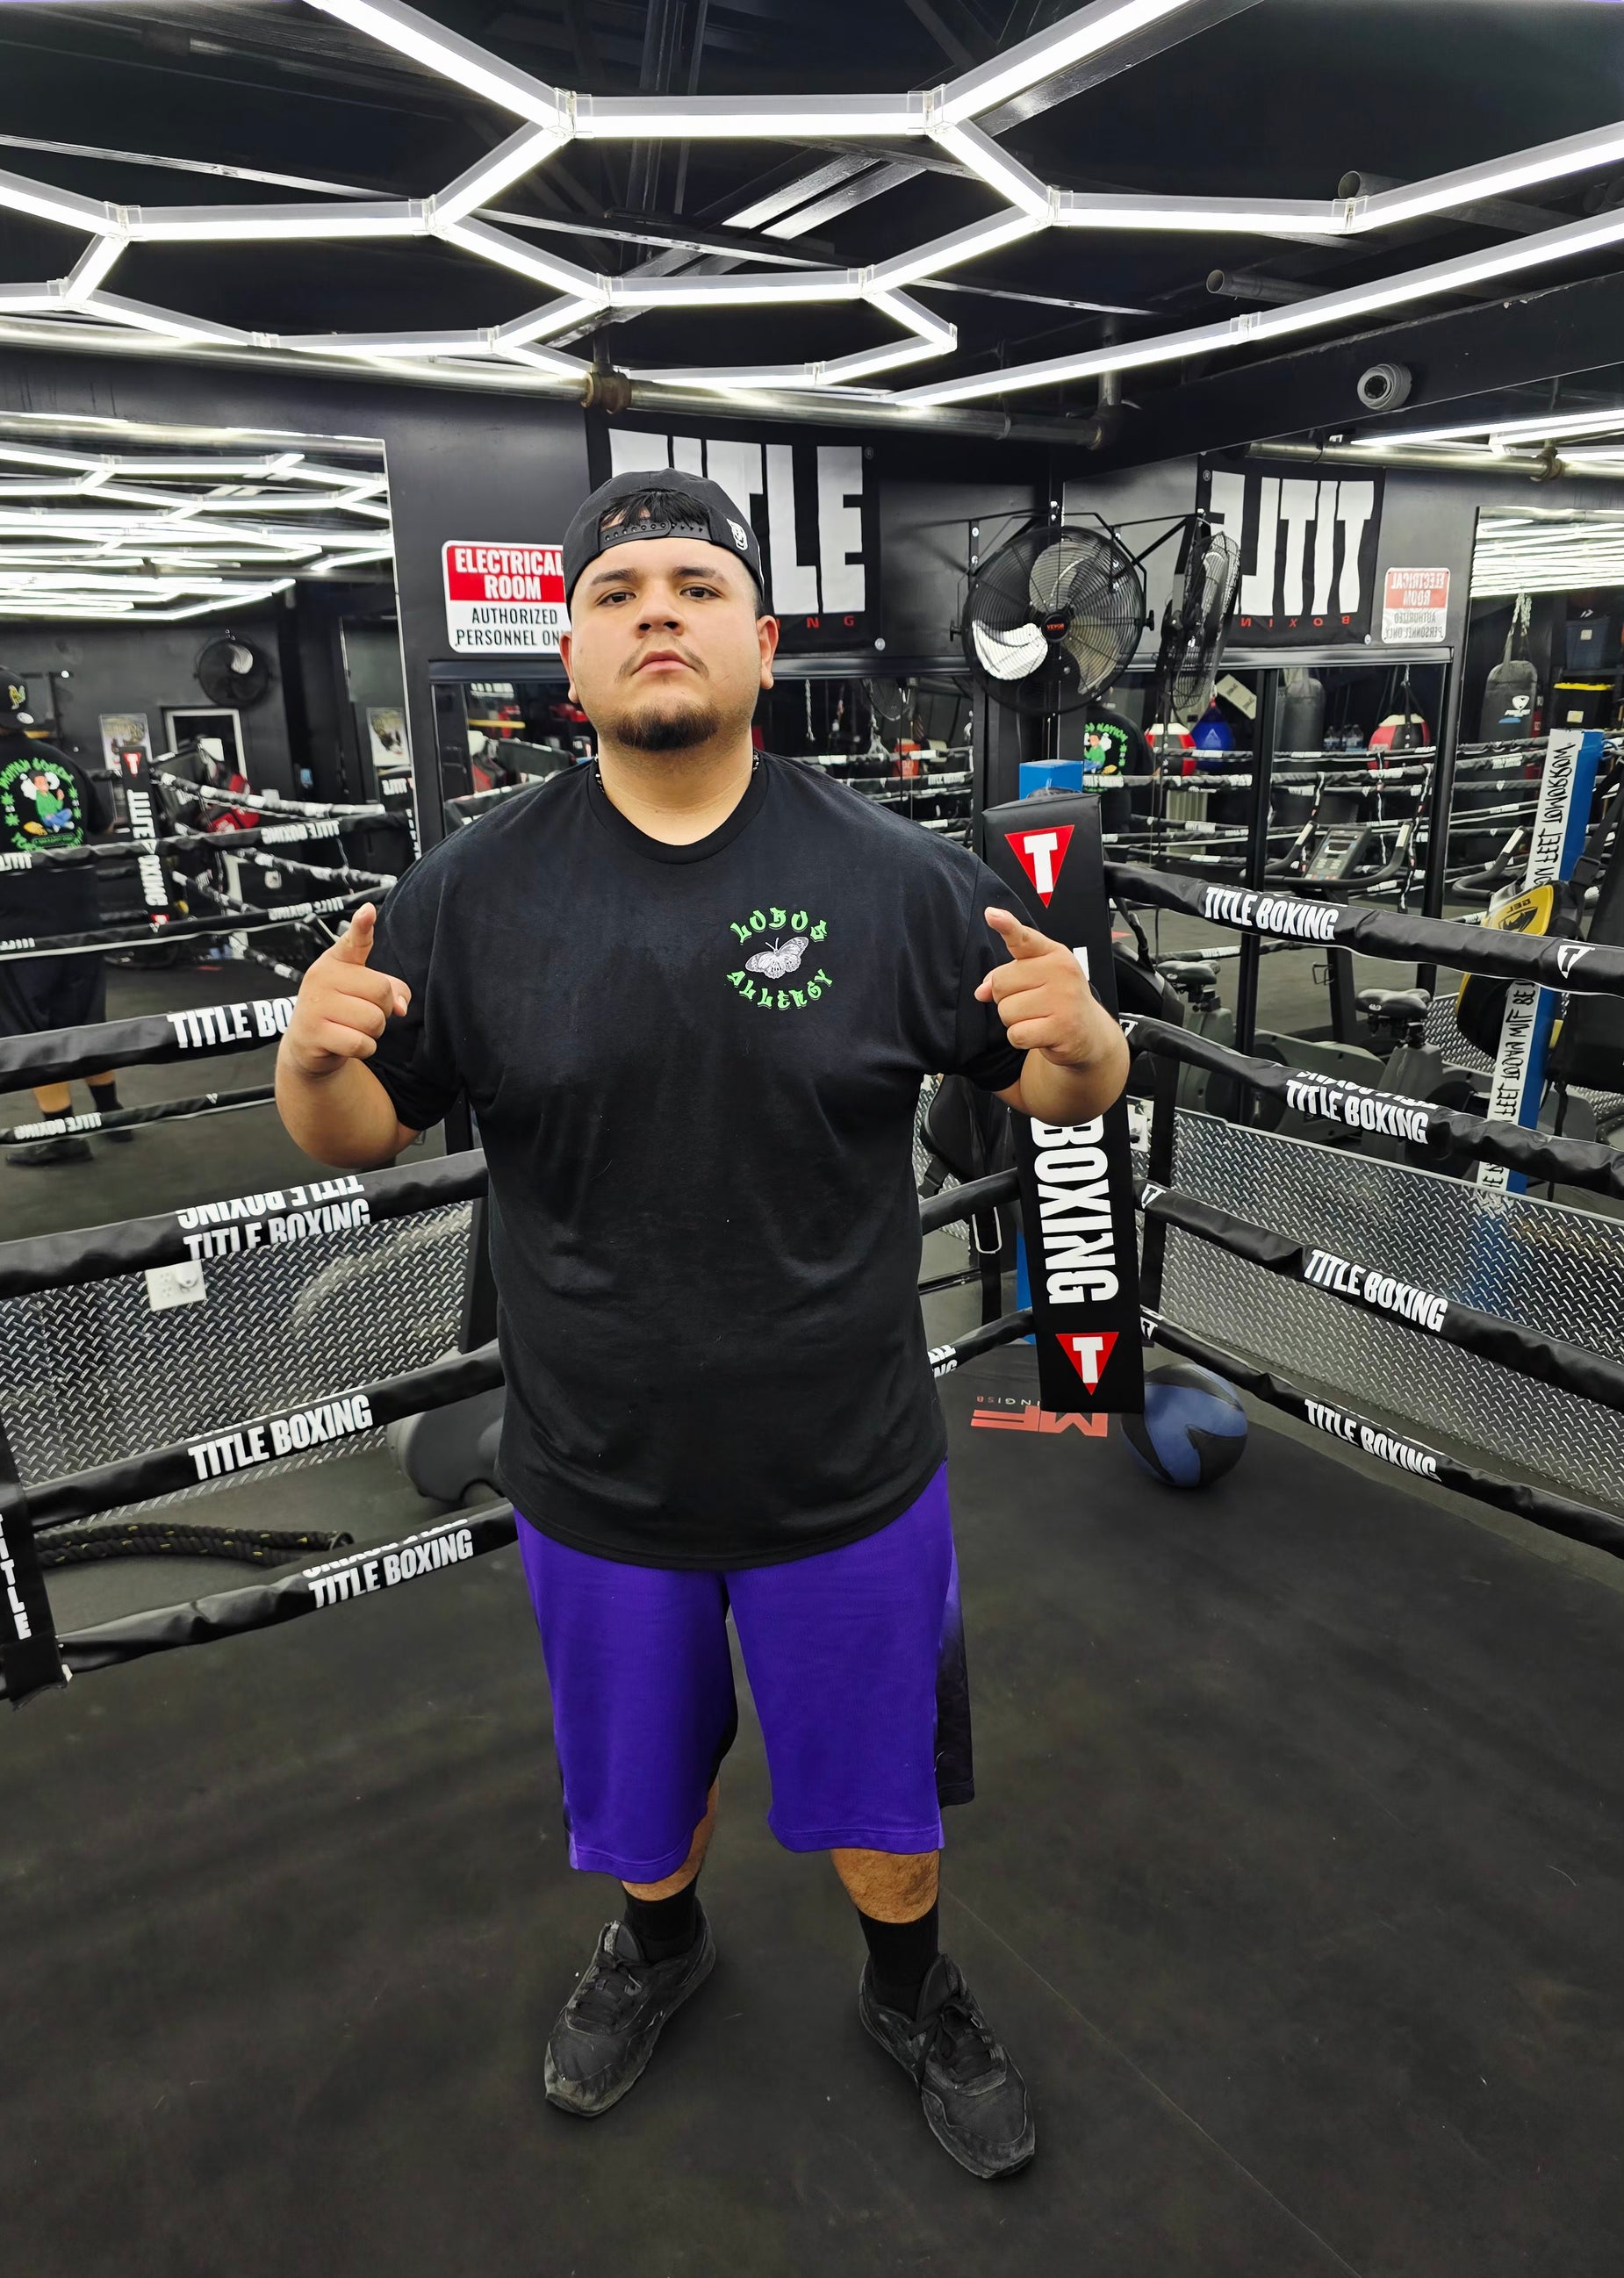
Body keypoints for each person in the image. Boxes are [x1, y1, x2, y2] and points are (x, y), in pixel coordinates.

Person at [274, 474, 1130, 2181]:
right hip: (598, 1468)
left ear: (761, 638)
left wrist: (1093, 1046)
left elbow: (1050, 1085)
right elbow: (364, 1129)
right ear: (570, 657)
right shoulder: (469, 896)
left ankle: (910, 1986)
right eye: (615, 592)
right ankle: (658, 1948)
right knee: (639, 1790)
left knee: (881, 1794)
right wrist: (307, 1068)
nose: (655, 609)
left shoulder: (900, 882)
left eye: (693, 583)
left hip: (847, 1467)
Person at [0, 667, 126, 1167]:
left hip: (10, 923)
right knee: (85, 1017)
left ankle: (62, 1134)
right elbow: (104, 825)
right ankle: (113, 1116)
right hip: (78, 913)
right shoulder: (60, 762)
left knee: (28, 1029)